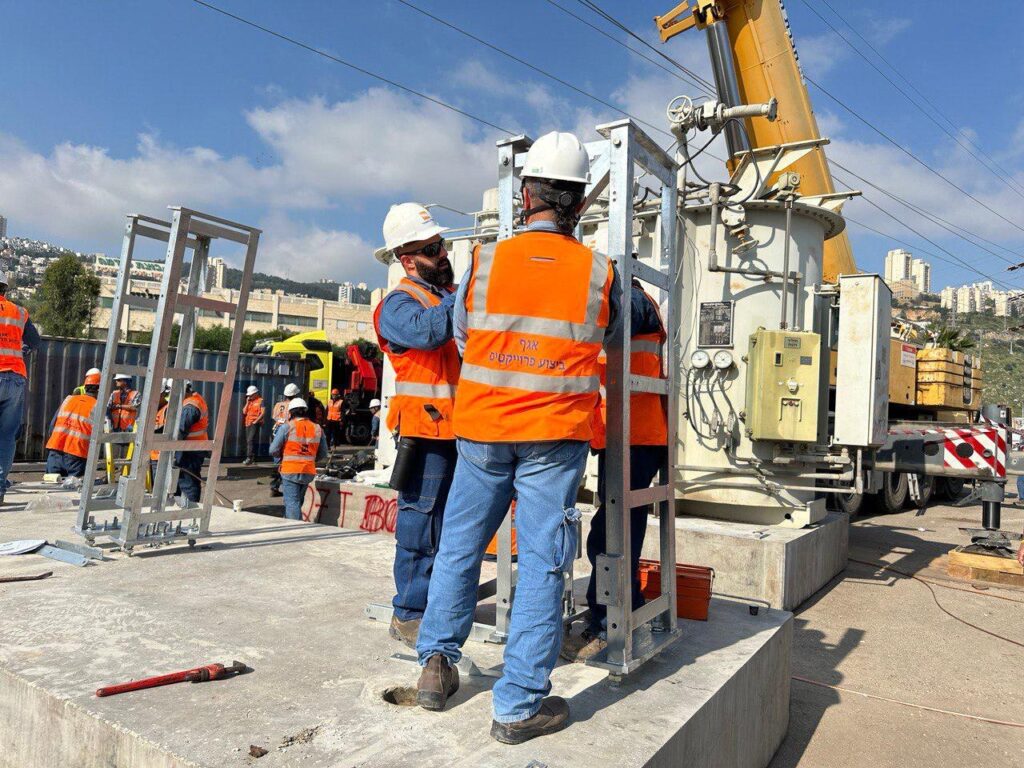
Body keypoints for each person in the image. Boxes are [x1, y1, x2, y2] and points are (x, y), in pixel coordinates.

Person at [414, 132, 620, 744]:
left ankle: (437, 664)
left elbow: (462, 337)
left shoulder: (482, 261)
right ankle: (517, 705)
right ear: (580, 202)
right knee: (541, 563)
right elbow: (604, 339)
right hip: (554, 436)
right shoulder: (600, 272)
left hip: (483, 427)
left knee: (459, 546)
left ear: (526, 195)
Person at [561, 278, 668, 662]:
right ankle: (624, 606)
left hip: (635, 435)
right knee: (615, 528)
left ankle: (609, 621)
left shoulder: (635, 302)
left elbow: (609, 321)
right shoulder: (630, 303)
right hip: (620, 434)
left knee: (613, 533)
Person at [373, 202, 461, 648]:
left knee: (451, 527)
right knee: (420, 526)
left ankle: (439, 605)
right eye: (431, 249)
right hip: (425, 433)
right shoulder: (398, 304)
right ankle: (408, 613)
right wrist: (468, 294)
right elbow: (428, 333)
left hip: (461, 431)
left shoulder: (447, 297)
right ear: (407, 261)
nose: (442, 254)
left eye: (441, 245)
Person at [0, 270, 40, 501]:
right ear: (5, 289)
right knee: (6, 437)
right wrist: (19, 352)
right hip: (14, 377)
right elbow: (34, 341)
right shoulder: (19, 312)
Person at [269, 398, 327, 520]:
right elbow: (323, 453)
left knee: (292, 503)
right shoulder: (317, 428)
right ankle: (288, 523)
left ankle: (294, 528)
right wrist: (310, 459)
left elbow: (273, 450)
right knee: (297, 502)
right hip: (308, 470)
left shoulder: (287, 427)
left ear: (290, 413)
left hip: (290, 470)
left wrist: (282, 456)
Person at [45, 371, 99, 478]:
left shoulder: (68, 400)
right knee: (73, 487)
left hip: (55, 450)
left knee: (50, 485)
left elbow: (52, 426)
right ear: (99, 390)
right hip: (77, 454)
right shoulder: (97, 406)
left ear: (85, 387)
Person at [175, 382, 209, 504]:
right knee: (188, 480)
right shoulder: (194, 399)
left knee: (188, 482)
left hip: (190, 449)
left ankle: (191, 507)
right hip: (194, 447)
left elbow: (180, 430)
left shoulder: (190, 406)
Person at [269, 383, 301, 498]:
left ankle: (274, 486)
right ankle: (286, 486)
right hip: (287, 433)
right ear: (295, 395)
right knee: (287, 462)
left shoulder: (278, 404)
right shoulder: (294, 406)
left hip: (276, 432)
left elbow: (274, 417)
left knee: (277, 461)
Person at [149, 379, 171, 483]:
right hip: (154, 455)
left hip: (162, 457)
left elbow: (165, 431)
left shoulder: (168, 409)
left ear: (163, 395)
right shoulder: (157, 409)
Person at [241, 385, 265, 465]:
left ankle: (249, 458)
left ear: (256, 393)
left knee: (250, 440)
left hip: (254, 423)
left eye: (251, 395)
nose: (250, 396)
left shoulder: (261, 401)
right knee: (249, 441)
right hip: (247, 423)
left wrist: (256, 421)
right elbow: (244, 412)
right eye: (249, 395)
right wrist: (247, 403)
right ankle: (253, 458)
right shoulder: (249, 401)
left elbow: (263, 413)